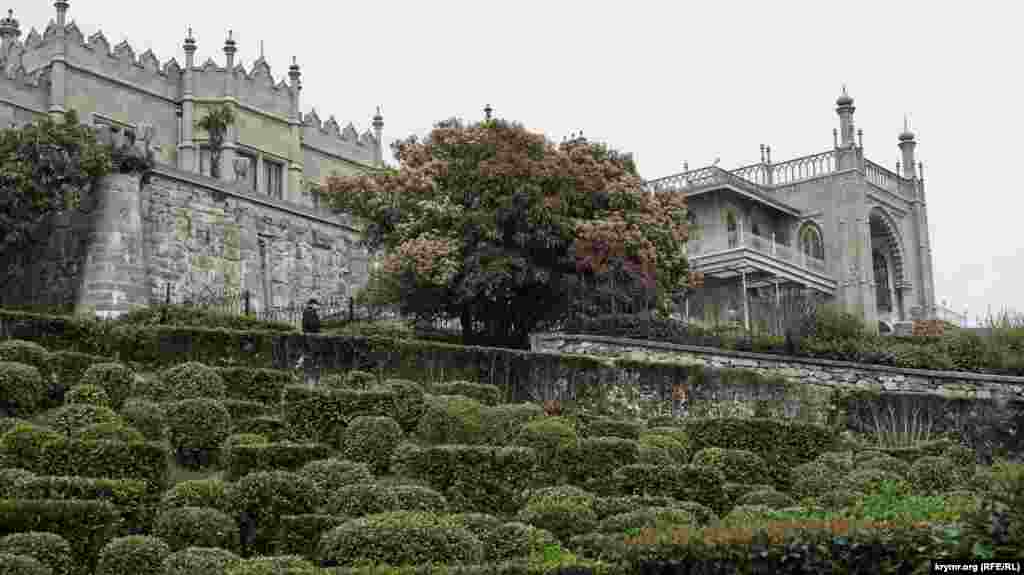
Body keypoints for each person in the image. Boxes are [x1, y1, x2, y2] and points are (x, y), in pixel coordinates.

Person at [301, 299, 321, 386]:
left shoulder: (308, 311)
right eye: (317, 305)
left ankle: (311, 372)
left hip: (309, 336)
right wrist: (318, 326)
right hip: (311, 336)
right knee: (312, 354)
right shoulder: (309, 312)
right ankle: (311, 374)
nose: (318, 306)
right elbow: (312, 324)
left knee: (311, 355)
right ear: (312, 304)